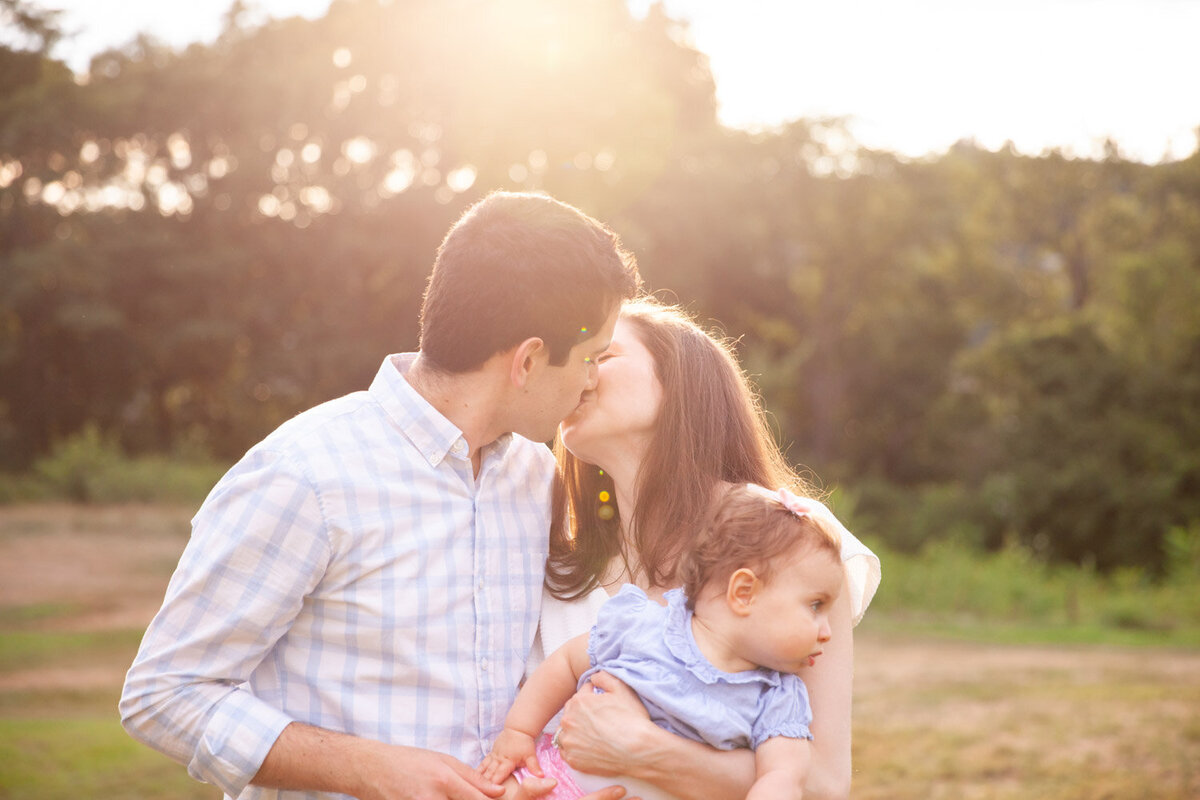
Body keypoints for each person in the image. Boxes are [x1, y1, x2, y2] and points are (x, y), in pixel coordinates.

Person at [119, 190, 641, 800]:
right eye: (588, 359)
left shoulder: (536, 477)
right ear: (527, 361)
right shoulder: (304, 476)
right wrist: (365, 768)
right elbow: (165, 693)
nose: (591, 382)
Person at [528, 297, 882, 800]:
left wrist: (644, 750)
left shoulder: (788, 541)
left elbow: (824, 784)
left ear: (680, 383)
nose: (576, 375)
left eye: (602, 357)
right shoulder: (556, 567)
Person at [480, 483, 847, 800]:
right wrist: (519, 731)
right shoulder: (644, 626)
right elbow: (565, 662)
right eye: (815, 606)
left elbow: (782, 777)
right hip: (554, 783)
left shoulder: (775, 696)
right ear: (744, 592)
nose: (826, 630)